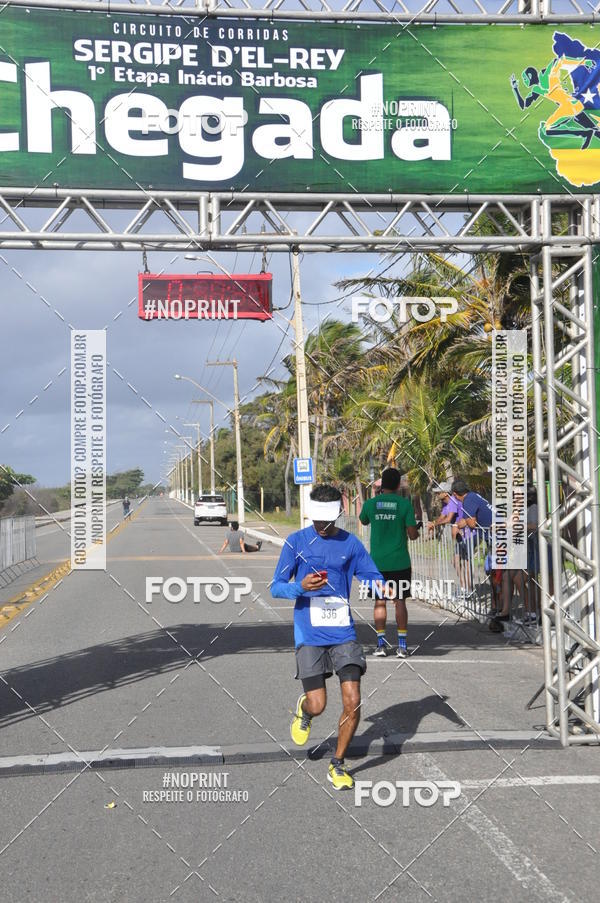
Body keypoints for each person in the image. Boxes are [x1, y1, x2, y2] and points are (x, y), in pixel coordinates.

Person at [270, 484, 384, 791]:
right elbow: (276, 586)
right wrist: (300, 587)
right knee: (319, 704)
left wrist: (378, 586)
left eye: (327, 521)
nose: (321, 526)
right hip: (309, 631)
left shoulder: (350, 544)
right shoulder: (296, 542)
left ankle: (338, 763)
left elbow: (372, 574)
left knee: (353, 699)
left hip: (343, 631)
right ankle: (306, 710)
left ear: (338, 516)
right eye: (316, 520)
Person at [359, 468, 419, 658]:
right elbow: (412, 534)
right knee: (399, 601)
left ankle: (380, 645)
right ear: (398, 484)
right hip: (399, 561)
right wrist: (415, 530)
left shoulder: (371, 503)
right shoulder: (404, 504)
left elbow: (364, 521)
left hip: (376, 563)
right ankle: (401, 646)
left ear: (382, 484)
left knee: (379, 602)